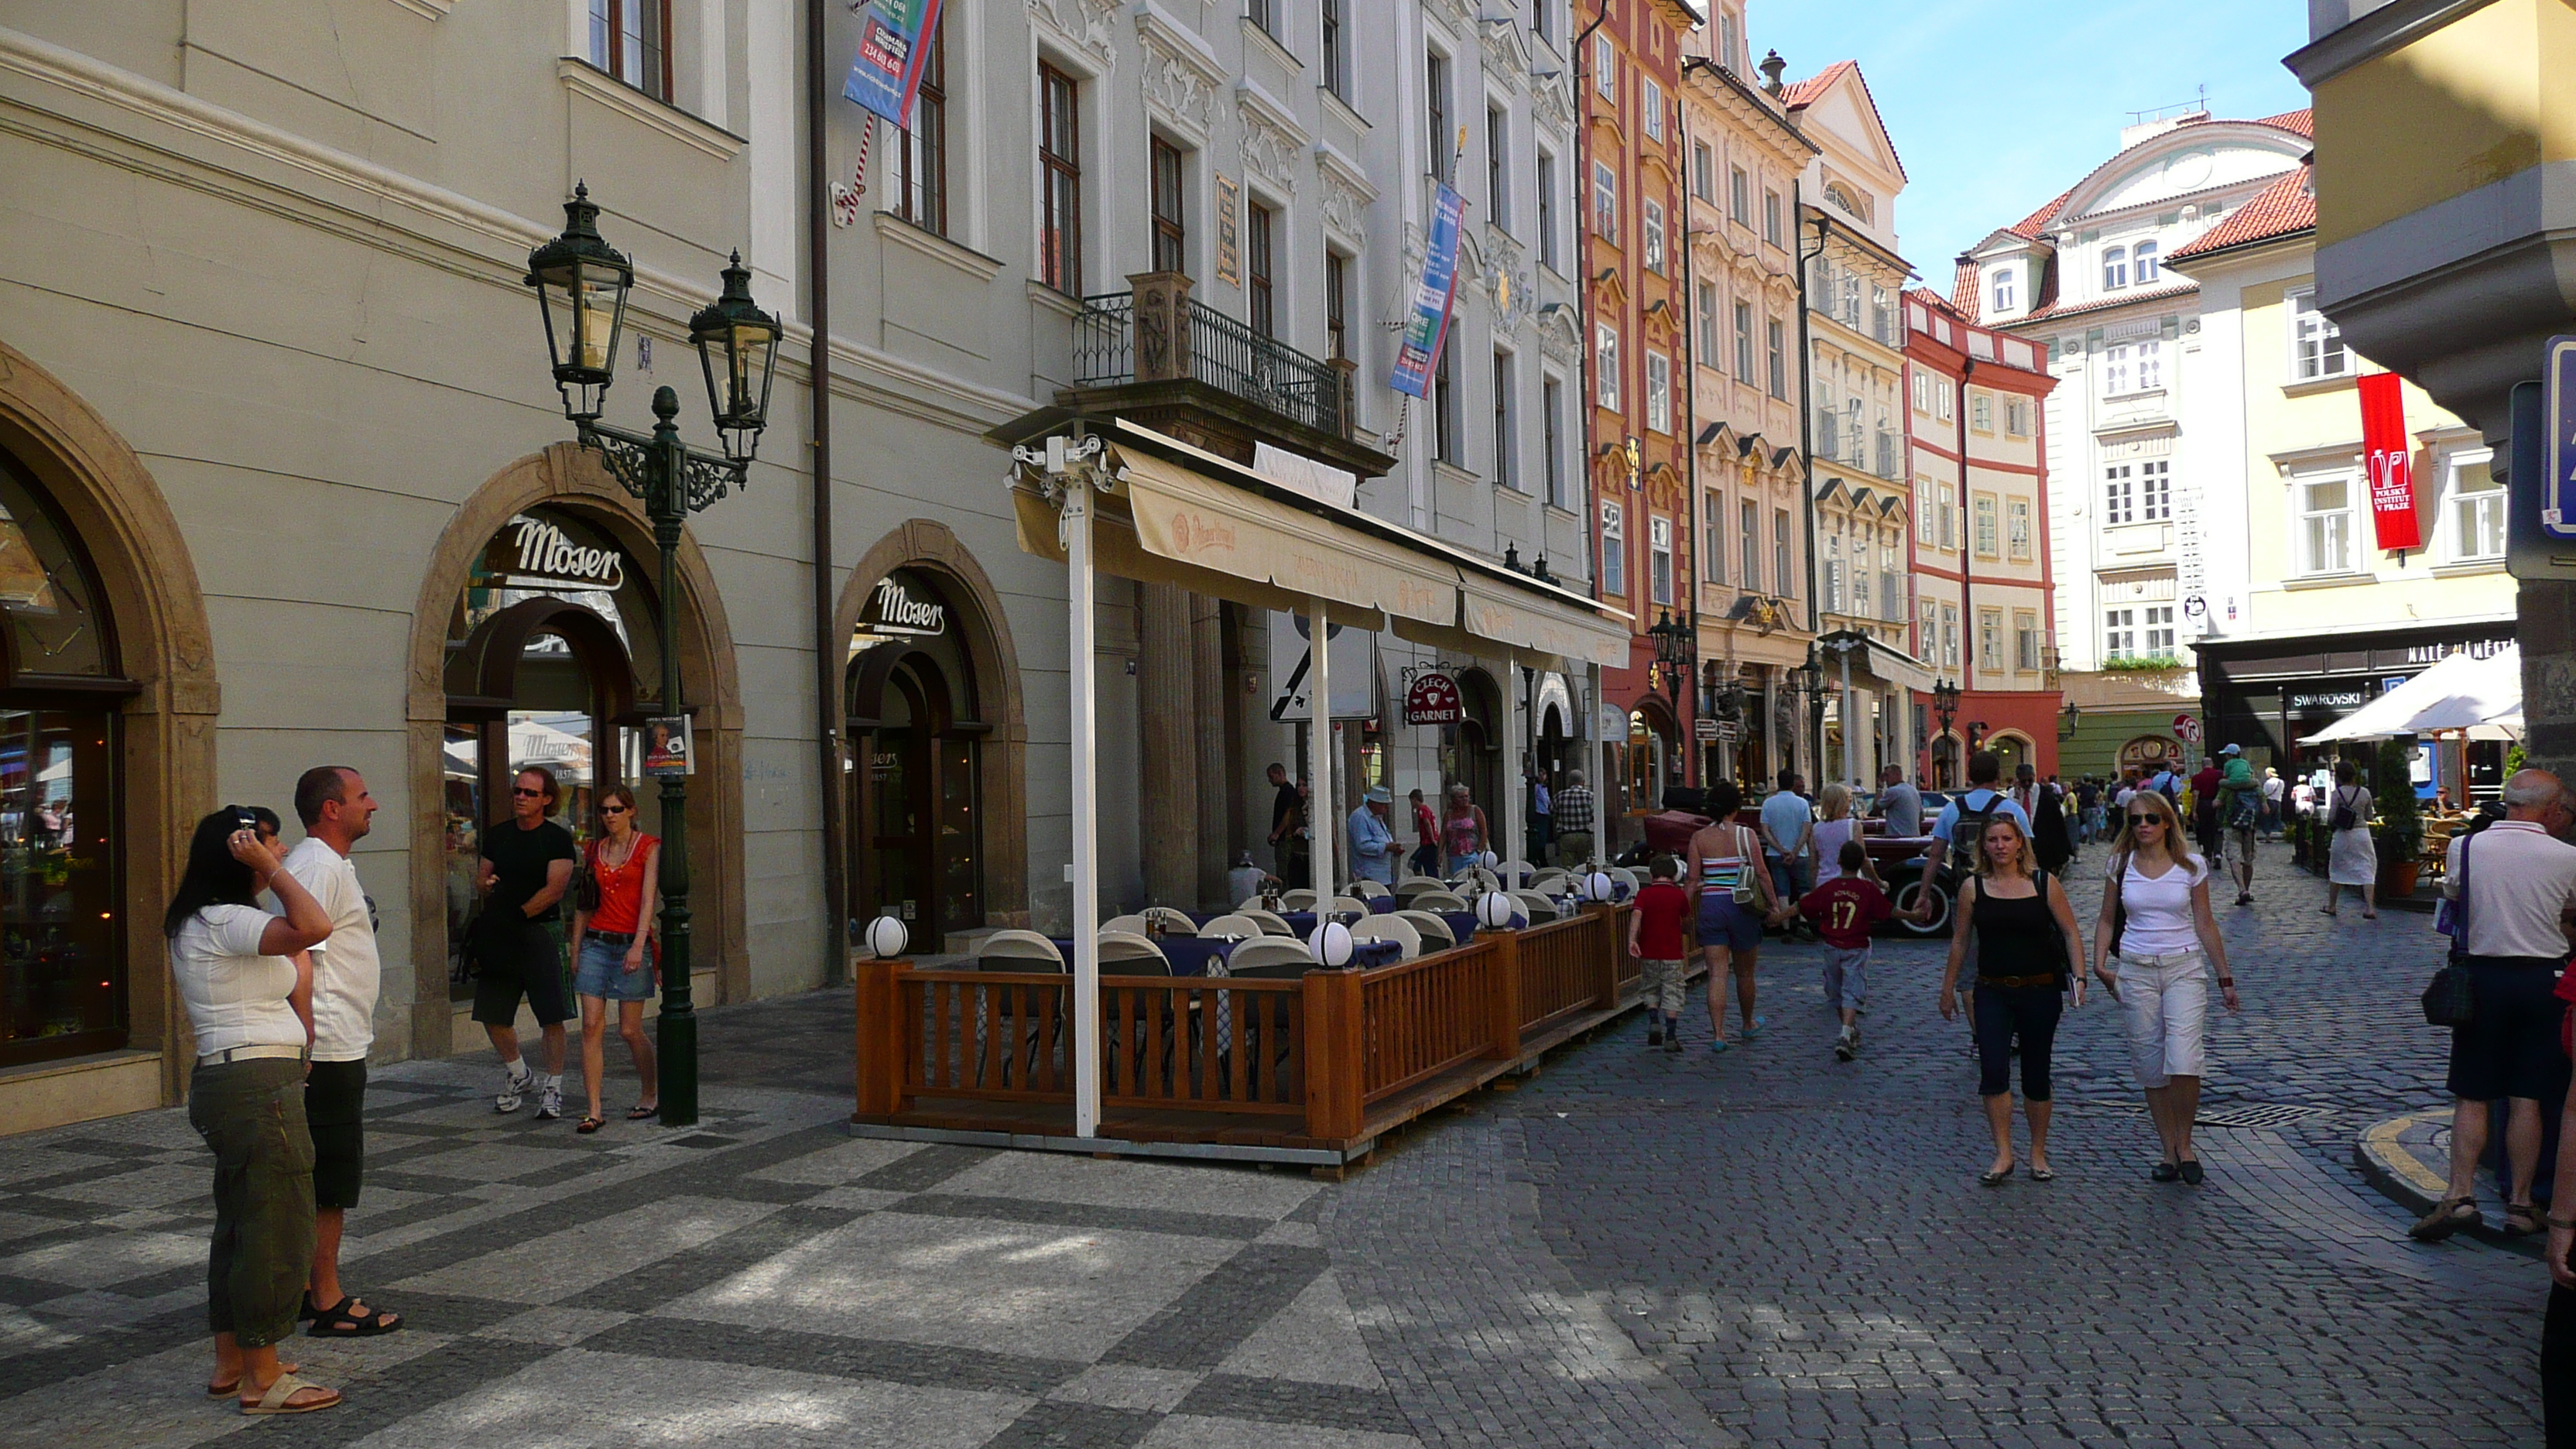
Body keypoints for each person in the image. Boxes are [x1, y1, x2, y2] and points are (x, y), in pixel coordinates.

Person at [169, 809, 338, 1416]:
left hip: (238, 1079)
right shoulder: (226, 918)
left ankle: (233, 1360)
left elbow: (297, 955)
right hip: (254, 1084)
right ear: (239, 853)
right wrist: (270, 869)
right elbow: (316, 925)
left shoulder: (208, 920)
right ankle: (263, 1379)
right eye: (270, 843)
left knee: (240, 1223)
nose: (282, 849)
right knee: (275, 1224)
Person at [2418, 769, 2576, 1242]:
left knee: (2472, 1093)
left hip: (2482, 979)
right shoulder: (2567, 856)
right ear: (2550, 809)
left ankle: (2460, 1195)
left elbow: (2454, 897)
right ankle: (2521, 1206)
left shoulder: (2464, 847)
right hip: (2542, 979)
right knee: (2527, 1097)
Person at [281, 768, 400, 1338]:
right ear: (331, 809)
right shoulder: (316, 866)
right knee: (331, 1175)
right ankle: (325, 1297)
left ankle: (308, 1285)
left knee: (329, 1170)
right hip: (324, 1045)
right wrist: (306, 1036)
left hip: (336, 1039)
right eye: (362, 796)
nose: (372, 804)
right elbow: (297, 953)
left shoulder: (328, 865)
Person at [2091, 786, 2239, 1184]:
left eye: (2151, 819)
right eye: (2135, 819)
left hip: (2183, 967)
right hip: (2136, 969)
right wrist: (2099, 964)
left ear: (2167, 821)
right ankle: (2169, 1148)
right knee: (2150, 1064)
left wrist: (2225, 977)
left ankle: (2186, 1142)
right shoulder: (2119, 865)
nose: (2143, 826)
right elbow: (2107, 918)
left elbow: (2205, 922)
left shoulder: (2191, 866)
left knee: (2184, 1059)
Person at [1939, 813, 2088, 1185]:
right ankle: (2003, 1153)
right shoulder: (1973, 888)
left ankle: (2037, 1152)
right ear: (1983, 847)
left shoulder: (2043, 883)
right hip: (1992, 990)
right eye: (1993, 840)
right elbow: (1960, 941)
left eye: (2007, 839)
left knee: (2037, 1073)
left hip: (2040, 989)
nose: (2000, 846)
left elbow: (2070, 931)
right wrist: (1948, 987)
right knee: (1993, 1070)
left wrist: (2080, 976)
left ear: (2020, 843)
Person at [474, 766, 578, 1118]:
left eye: (530, 793)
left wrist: (520, 915)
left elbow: (555, 890)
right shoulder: (498, 835)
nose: (520, 797)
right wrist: (485, 886)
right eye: (517, 790)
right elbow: (481, 877)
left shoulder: (556, 839)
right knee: (492, 1012)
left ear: (546, 799)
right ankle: (519, 1072)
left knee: (551, 1016)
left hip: (539, 933)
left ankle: (553, 1086)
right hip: (500, 934)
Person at [569, 784, 660, 1133]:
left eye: (616, 810)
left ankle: (650, 1092)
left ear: (631, 811)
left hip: (629, 941)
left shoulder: (647, 847)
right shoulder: (594, 849)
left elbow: (648, 899)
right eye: (605, 810)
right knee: (591, 1025)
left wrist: (639, 944)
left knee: (629, 1029)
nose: (609, 816)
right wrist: (576, 948)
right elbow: (584, 903)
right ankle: (594, 1109)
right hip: (596, 940)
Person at [1686, 779, 1783, 1052]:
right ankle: (1747, 1022)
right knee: (1745, 973)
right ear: (1735, 808)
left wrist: (1681, 910)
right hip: (1741, 906)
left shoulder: (1699, 838)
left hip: (1712, 906)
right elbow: (1762, 873)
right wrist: (1774, 905)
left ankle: (1718, 1033)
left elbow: (1693, 879)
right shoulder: (1746, 835)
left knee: (1717, 974)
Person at [1912, 751, 2031, 923]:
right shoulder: (2012, 810)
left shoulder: (1951, 809)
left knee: (1963, 944)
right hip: (2006, 893)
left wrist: (1924, 894)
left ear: (1969, 775)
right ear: (1998, 774)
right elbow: (2029, 855)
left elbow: (1935, 856)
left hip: (1964, 890)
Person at [1800, 839, 1891, 1062]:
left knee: (1838, 990)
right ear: (1862, 864)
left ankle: (1845, 1033)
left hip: (1833, 946)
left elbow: (1803, 905)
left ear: (1839, 861)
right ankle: (1849, 1030)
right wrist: (1915, 916)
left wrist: (1778, 916)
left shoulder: (1828, 888)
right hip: (1857, 945)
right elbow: (1888, 911)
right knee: (1848, 989)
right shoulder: (1867, 888)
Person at [1627, 855, 1692, 1053]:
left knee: (1650, 988)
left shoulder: (1644, 895)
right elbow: (1687, 921)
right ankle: (1671, 1035)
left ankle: (1654, 1020)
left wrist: (1632, 939)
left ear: (1651, 874)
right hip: (1672, 953)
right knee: (1673, 990)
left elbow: (1637, 914)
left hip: (1649, 951)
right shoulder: (1679, 895)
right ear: (1674, 874)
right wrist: (1686, 929)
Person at [1758, 771, 1815, 937]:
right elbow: (1806, 829)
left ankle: (1786, 927)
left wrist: (1780, 849)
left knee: (1782, 891)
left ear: (1778, 783)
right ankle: (1804, 923)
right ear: (1792, 784)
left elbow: (1765, 830)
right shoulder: (1802, 803)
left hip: (1776, 854)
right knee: (1804, 888)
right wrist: (1795, 850)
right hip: (1800, 854)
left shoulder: (1769, 803)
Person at [2321, 758, 2379, 917]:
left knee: (2337, 868)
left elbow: (2331, 818)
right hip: (2361, 834)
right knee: (2367, 867)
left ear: (2338, 777)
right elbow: (2370, 817)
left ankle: (2332, 906)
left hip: (2343, 834)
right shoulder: (2365, 792)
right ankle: (2369, 908)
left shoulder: (2337, 794)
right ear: (2355, 776)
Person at [2215, 744, 2261, 906]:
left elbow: (2217, 803)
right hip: (2249, 826)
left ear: (2228, 756)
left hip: (2231, 825)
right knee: (2248, 860)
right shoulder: (2254, 786)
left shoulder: (2227, 787)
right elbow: (2265, 807)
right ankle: (2247, 888)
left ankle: (2242, 890)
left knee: (2234, 858)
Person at [1266, 763, 1308, 890]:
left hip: (1293, 845)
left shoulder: (1287, 792)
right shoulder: (1292, 797)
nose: (1270, 781)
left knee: (1284, 875)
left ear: (1280, 774)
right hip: (1293, 846)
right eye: (1299, 785)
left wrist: (1277, 833)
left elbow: (1287, 815)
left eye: (1272, 777)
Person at [2026, 766, 2074, 875]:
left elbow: (2057, 824)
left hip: (2042, 843)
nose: (2027, 784)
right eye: (2024, 781)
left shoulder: (2046, 796)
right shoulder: (2013, 794)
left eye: (2030, 780)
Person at [1810, 783, 1860, 886]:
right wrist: (1878, 881)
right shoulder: (1853, 825)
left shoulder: (1816, 828)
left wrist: (1813, 889)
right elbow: (1861, 858)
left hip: (1824, 882)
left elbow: (1813, 864)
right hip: (1848, 882)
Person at [1348, 786, 1396, 886]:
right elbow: (1362, 846)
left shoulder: (1377, 818)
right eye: (1383, 805)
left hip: (1383, 876)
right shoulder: (1360, 817)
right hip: (1369, 876)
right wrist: (1386, 847)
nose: (1386, 808)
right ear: (1374, 803)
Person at [1441, 783, 1489, 876]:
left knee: (1472, 880)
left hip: (1472, 854)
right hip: (1454, 855)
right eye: (1461, 797)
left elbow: (1484, 832)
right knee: (1457, 880)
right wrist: (1440, 853)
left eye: (1466, 796)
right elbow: (1443, 834)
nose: (1465, 799)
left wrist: (1478, 851)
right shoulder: (1449, 814)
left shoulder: (1475, 810)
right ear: (1454, 799)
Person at [1554, 769, 1597, 868]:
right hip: (1585, 835)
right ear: (1583, 782)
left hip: (1567, 836)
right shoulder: (1590, 796)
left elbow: (1552, 811)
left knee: (1567, 868)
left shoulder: (1560, 795)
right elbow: (1595, 815)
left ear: (1569, 782)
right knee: (1586, 866)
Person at [1876, 764, 1922, 839]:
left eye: (1887, 776)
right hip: (1915, 838)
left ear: (1896, 775)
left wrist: (1880, 787)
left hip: (1897, 840)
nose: (1885, 780)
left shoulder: (1893, 791)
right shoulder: (1914, 791)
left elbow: (1876, 809)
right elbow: (1921, 817)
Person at [1406, 788, 1441, 879]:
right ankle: (1424, 879)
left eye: (1411, 801)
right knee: (1427, 864)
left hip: (1428, 843)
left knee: (1415, 862)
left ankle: (1422, 879)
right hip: (1427, 842)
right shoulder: (1426, 809)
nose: (1411, 804)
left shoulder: (1422, 810)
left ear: (1414, 799)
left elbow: (1427, 823)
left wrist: (1432, 838)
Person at [1527, 766, 1554, 867]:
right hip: (1539, 814)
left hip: (1546, 815)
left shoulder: (1544, 788)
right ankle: (1540, 858)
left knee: (1543, 837)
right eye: (1540, 774)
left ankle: (1541, 857)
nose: (1542, 776)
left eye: (1544, 774)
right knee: (1540, 837)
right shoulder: (1537, 787)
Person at [2260, 766, 2286, 840]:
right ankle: (2285, 831)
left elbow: (2265, 793)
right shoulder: (2281, 782)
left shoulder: (2268, 782)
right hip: (2278, 801)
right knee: (2277, 819)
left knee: (2267, 819)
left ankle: (2268, 836)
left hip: (2269, 801)